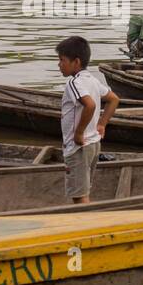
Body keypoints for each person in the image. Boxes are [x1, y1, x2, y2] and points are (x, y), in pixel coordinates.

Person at [56, 35, 119, 205]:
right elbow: (113, 99)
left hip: (79, 147)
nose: (59, 65)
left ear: (75, 62)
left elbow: (89, 105)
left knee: (79, 195)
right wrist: (101, 124)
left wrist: (78, 133)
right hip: (92, 144)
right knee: (84, 190)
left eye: (62, 60)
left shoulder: (74, 83)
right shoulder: (91, 80)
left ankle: (85, 225)